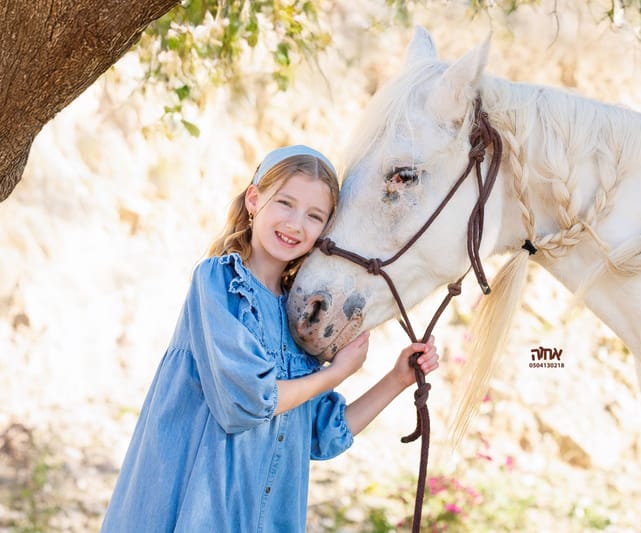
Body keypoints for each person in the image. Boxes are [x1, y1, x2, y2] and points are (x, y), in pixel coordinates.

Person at [100, 145, 439, 532]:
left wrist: (397, 379)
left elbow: (321, 436)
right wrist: (336, 373)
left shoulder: (299, 316)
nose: (296, 224)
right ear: (254, 199)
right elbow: (246, 402)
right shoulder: (219, 283)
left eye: (315, 216)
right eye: (285, 204)